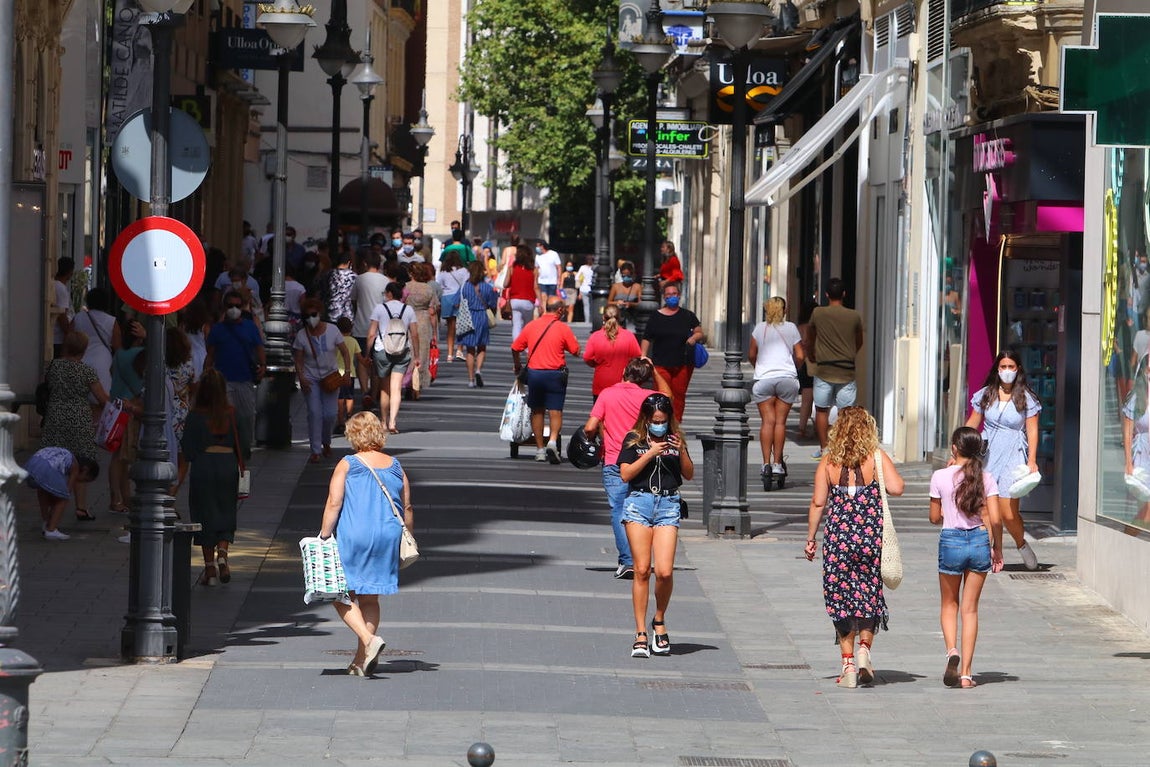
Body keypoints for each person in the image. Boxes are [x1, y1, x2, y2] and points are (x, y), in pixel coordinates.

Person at [804, 407, 904, 688]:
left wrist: (811, 539)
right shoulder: (875, 457)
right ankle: (864, 651)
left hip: (838, 540)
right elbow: (897, 487)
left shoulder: (828, 462)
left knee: (840, 599)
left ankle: (847, 664)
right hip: (869, 538)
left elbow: (818, 503)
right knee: (868, 593)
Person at [317, 411, 413, 676]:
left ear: (353, 435)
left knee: (339, 594)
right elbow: (407, 506)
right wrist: (408, 537)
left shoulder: (348, 464)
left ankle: (369, 642)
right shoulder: (396, 466)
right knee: (370, 598)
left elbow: (334, 503)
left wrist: (324, 536)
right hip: (387, 536)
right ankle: (361, 660)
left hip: (356, 535)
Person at [618, 392, 693, 658]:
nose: (659, 424)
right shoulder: (634, 439)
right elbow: (625, 473)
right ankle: (640, 632)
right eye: (655, 420)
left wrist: (680, 448)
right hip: (639, 504)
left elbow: (689, 473)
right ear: (647, 419)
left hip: (668, 505)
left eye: (663, 419)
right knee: (641, 570)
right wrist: (650, 453)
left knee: (664, 571)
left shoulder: (676, 439)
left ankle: (658, 619)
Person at [583, 358, 672, 579]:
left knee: (618, 510)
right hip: (643, 459)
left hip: (614, 461)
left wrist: (594, 437)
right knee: (641, 510)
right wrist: (657, 373)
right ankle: (641, 559)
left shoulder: (607, 394)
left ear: (624, 372)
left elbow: (590, 427)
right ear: (646, 378)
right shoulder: (647, 398)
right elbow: (668, 398)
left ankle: (628, 561)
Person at [930, 426, 1003, 689]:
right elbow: (996, 518)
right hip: (980, 541)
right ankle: (966, 675)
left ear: (954, 448)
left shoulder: (940, 476)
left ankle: (952, 651)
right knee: (970, 609)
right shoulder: (986, 477)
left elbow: (934, 518)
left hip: (951, 540)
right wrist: (998, 548)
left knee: (949, 604)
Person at [965, 350, 1041, 570]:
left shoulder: (1026, 398)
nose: (1007, 371)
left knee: (1008, 512)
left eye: (1011, 367)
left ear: (1018, 370)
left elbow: (1032, 430)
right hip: (988, 454)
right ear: (997, 370)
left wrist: (1032, 460)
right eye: (1003, 367)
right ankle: (988, 554)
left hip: (1013, 454)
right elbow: (973, 422)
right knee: (986, 509)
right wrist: (958, 450)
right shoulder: (986, 395)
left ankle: (1021, 543)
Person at [39, 330, 115, 521]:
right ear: (84, 349)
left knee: (54, 463)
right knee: (81, 463)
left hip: (55, 417)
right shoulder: (86, 371)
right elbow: (102, 399)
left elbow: (48, 386)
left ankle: (51, 509)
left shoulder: (54, 367)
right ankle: (81, 507)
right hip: (79, 420)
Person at [181, 369, 248, 586]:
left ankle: (209, 567)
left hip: (203, 467)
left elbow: (188, 450)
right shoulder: (231, 413)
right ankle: (222, 555)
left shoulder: (195, 415)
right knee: (226, 510)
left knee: (204, 513)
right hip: (227, 466)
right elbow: (245, 446)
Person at [512, 297, 581, 463]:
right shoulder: (563, 328)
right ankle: (552, 440)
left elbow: (515, 347)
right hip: (556, 374)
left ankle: (540, 449)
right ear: (559, 310)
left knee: (537, 411)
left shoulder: (532, 326)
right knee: (555, 411)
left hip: (535, 374)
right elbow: (576, 351)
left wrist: (517, 365)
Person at [749, 297, 804, 488]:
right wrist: (793, 369)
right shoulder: (791, 328)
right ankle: (778, 464)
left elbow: (751, 354)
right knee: (780, 422)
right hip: (787, 379)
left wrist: (759, 367)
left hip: (764, 379)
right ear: (784, 310)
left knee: (767, 422)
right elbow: (800, 355)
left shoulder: (759, 328)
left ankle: (765, 464)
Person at [205, 290, 266, 455]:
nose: (234, 308)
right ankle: (229, 448)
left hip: (245, 380)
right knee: (226, 416)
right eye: (230, 305)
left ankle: (244, 449)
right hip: (223, 381)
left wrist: (263, 365)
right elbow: (210, 355)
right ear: (225, 307)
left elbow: (259, 348)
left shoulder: (250, 327)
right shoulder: (217, 330)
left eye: (237, 306)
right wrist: (206, 377)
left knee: (246, 417)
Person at [809, 278, 864, 456]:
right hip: (846, 371)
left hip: (824, 369)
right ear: (844, 294)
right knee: (846, 413)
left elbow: (810, 337)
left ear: (826, 294)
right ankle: (843, 447)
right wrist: (849, 354)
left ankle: (825, 447)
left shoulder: (818, 313)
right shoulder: (854, 316)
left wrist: (812, 355)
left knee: (821, 410)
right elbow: (859, 341)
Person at [294, 297, 352, 462]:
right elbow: (298, 359)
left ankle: (326, 441)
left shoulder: (333, 330)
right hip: (310, 377)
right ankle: (315, 450)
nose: (311, 319)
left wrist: (347, 372)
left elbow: (345, 352)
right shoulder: (301, 335)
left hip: (330, 377)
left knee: (330, 414)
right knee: (314, 412)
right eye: (307, 316)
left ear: (319, 313)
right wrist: (301, 377)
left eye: (313, 314)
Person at [640, 282, 703, 422]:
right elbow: (647, 337)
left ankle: (676, 425)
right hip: (660, 364)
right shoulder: (656, 317)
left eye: (674, 294)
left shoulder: (687, 316)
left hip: (683, 364)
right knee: (662, 395)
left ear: (679, 295)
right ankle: (661, 422)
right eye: (668, 295)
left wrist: (694, 337)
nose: (671, 297)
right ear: (664, 297)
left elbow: (699, 332)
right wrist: (643, 356)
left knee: (679, 396)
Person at [365, 282, 418, 434]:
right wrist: (417, 355)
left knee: (385, 388)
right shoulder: (408, 310)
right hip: (402, 351)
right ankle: (393, 421)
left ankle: (383, 421)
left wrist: (367, 353)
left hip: (382, 351)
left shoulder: (379, 308)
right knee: (396, 388)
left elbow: (371, 333)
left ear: (388, 293)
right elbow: (414, 333)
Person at [23, 447, 100, 541]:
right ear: (85, 470)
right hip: (47, 468)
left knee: (42, 490)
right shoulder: (74, 465)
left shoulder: (64, 454)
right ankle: (51, 529)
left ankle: (46, 522)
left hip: (30, 466)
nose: (80, 482)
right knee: (63, 498)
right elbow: (67, 490)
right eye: (84, 479)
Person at [583, 304, 641, 400]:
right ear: (620, 317)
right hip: (623, 383)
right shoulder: (629, 336)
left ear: (603, 318)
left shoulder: (596, 336)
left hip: (601, 383)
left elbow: (587, 357)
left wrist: (597, 364)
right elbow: (637, 356)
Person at [456, 261, 500, 388]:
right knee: (481, 346)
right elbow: (492, 304)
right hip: (481, 316)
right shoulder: (487, 287)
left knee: (469, 349)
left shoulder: (465, 286)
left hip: (468, 316)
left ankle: (470, 379)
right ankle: (478, 370)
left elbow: (457, 301)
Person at [73, 287, 120, 400]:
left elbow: (69, 341)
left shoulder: (78, 318)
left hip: (80, 362)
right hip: (103, 364)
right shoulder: (112, 321)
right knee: (101, 404)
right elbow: (118, 348)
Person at [405, 262, 440, 398]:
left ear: (410, 273)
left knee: (409, 353)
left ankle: (408, 383)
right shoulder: (428, 289)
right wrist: (435, 332)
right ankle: (417, 386)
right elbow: (433, 311)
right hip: (424, 321)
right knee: (422, 354)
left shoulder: (405, 287)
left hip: (408, 320)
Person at [436, 251, 469, 362]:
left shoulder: (443, 272)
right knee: (462, 325)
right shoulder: (464, 271)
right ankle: (459, 349)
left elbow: (439, 286)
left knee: (451, 327)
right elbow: (466, 285)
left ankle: (449, 354)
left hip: (447, 298)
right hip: (460, 298)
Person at [505, 243, 540, 341]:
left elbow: (505, 284)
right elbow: (536, 287)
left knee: (516, 325)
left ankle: (516, 348)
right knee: (527, 326)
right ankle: (527, 348)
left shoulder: (512, 267)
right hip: (528, 300)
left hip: (515, 300)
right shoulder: (534, 269)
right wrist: (541, 303)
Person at [334, 317, 361, 436]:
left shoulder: (335, 341)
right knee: (349, 396)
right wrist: (367, 362)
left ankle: (340, 422)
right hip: (350, 373)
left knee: (339, 398)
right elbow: (359, 358)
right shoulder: (353, 341)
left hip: (337, 373)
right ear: (351, 329)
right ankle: (349, 417)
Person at [796, 299, 818, 438]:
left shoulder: (799, 328)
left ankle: (801, 428)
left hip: (803, 365)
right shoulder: (814, 328)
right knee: (820, 400)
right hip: (814, 363)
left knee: (806, 400)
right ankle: (818, 427)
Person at [51, 257, 76, 357]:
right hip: (58, 339)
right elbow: (62, 314)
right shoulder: (60, 288)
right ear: (70, 272)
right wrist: (69, 333)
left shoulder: (54, 285)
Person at [325, 248, 357, 323]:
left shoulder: (327, 274)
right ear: (349, 262)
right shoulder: (353, 276)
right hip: (347, 316)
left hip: (330, 314)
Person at [607, 262, 640, 329]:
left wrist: (631, 304)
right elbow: (609, 302)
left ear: (632, 274)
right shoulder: (615, 286)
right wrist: (617, 303)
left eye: (628, 276)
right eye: (623, 275)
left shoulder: (637, 287)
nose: (625, 278)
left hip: (631, 317)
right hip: (617, 317)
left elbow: (640, 303)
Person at [576, 255, 595, 323]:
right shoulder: (595, 268)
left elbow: (578, 279)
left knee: (586, 306)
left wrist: (579, 292)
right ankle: (592, 321)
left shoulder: (582, 268)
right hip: (592, 289)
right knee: (592, 306)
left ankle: (587, 321)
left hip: (584, 289)